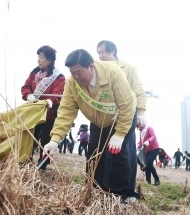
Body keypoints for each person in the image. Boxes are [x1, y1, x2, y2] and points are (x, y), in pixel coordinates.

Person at [42, 49, 137, 202]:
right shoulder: (72, 83)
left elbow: (126, 105)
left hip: (122, 118)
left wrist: (119, 134)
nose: (76, 77)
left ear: (91, 66)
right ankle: (94, 192)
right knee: (94, 155)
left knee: (118, 154)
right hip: (98, 121)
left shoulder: (113, 72)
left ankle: (120, 196)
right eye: (72, 73)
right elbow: (66, 111)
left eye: (79, 72)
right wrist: (55, 139)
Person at [97, 40, 146, 198]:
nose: (100, 56)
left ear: (113, 52)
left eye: (103, 52)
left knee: (126, 153)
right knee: (106, 154)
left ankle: (127, 191)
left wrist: (142, 113)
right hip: (106, 116)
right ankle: (106, 189)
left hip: (126, 116)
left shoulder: (128, 68)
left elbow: (138, 91)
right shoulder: (98, 69)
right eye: (98, 53)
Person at [21, 45, 65, 169]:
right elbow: (25, 87)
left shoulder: (58, 76)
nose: (38, 60)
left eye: (41, 57)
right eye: (38, 57)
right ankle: (25, 161)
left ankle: (42, 166)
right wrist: (28, 95)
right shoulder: (34, 72)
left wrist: (51, 101)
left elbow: (58, 93)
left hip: (49, 114)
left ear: (50, 60)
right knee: (30, 138)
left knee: (46, 139)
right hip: (33, 113)